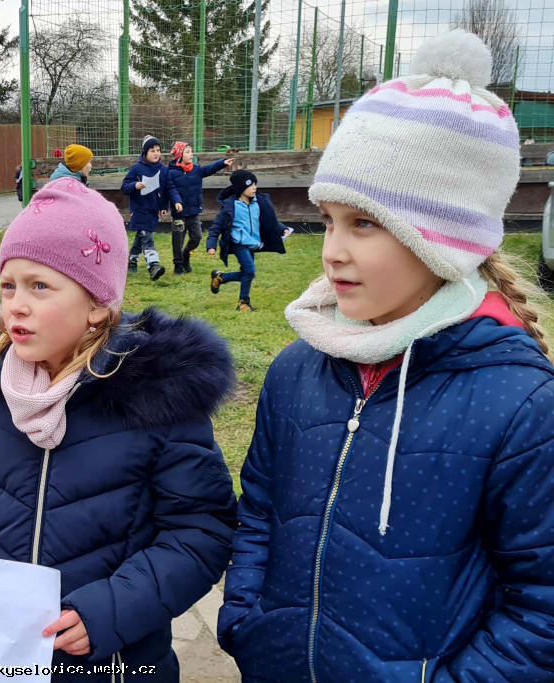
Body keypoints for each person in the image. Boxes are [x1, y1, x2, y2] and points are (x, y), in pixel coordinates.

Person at [218, 31, 554, 682]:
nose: (332, 250)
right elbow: (259, 509)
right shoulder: (296, 370)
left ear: (442, 240)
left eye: (364, 223)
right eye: (329, 219)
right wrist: (245, 621)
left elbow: (541, 606)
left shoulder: (520, 404)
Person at [0, 178, 238, 680]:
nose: (16, 304)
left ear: (97, 305)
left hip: (112, 662)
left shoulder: (158, 401)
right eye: (8, 285)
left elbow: (200, 532)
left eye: (40, 286)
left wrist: (111, 610)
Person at [206, 170, 291, 311]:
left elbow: (269, 219)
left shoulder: (258, 203)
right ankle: (243, 303)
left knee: (247, 273)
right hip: (239, 243)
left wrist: (282, 229)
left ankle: (220, 277)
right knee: (250, 271)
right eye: (250, 185)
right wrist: (211, 245)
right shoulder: (230, 207)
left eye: (255, 184)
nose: (254, 188)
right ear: (241, 187)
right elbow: (216, 227)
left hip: (252, 243)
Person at [167, 141, 234, 275]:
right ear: (179, 155)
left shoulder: (196, 170)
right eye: (187, 152)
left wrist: (222, 163)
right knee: (178, 240)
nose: (191, 154)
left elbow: (209, 168)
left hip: (193, 212)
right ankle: (178, 264)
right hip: (179, 213)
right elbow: (170, 190)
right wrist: (176, 202)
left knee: (197, 237)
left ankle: (186, 254)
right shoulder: (171, 173)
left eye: (191, 151)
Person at [121, 136, 182, 281]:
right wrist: (135, 185)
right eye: (152, 150)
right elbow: (124, 187)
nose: (156, 153)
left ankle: (131, 261)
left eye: (158, 150)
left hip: (153, 210)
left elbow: (169, 188)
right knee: (147, 237)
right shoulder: (137, 168)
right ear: (145, 152)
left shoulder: (163, 170)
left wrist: (175, 201)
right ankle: (153, 265)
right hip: (139, 209)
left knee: (141, 236)